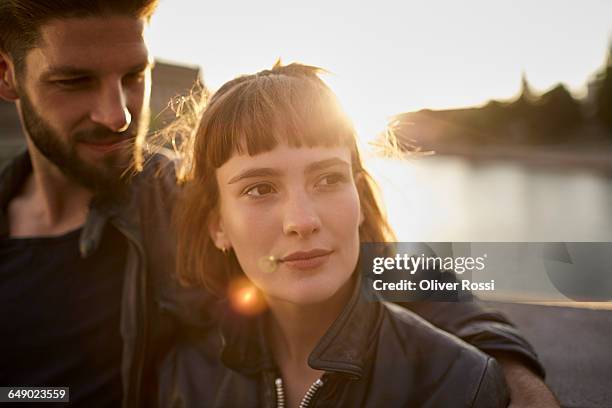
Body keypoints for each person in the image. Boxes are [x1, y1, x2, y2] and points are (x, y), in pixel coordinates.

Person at [0, 1, 556, 406]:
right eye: (73, 82)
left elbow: (383, 265)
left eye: (133, 77)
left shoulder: (179, 199)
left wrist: (509, 378)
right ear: (8, 76)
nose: (117, 113)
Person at [157, 62, 542, 407]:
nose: (301, 221)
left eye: (328, 179)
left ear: (359, 196)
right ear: (218, 225)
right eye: (260, 189)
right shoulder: (186, 378)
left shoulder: (458, 385)